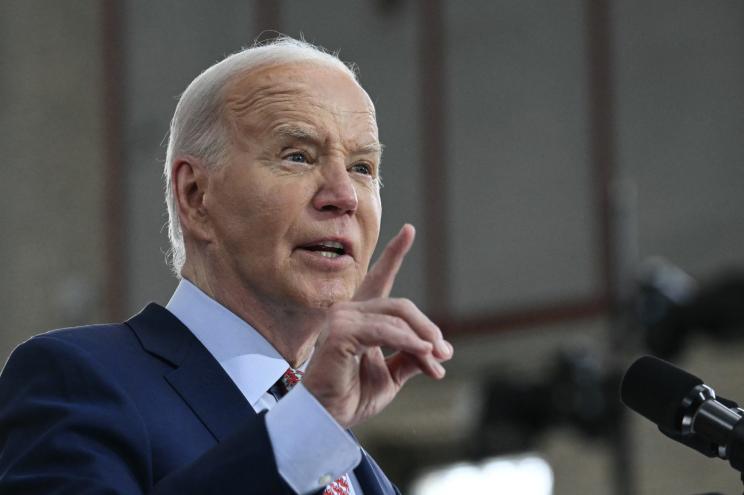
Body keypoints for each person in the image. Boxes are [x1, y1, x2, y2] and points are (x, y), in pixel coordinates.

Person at [0, 37, 453, 494]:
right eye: (298, 156)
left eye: (362, 167)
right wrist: (305, 430)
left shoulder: (363, 474)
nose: (344, 196)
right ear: (195, 196)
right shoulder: (77, 380)